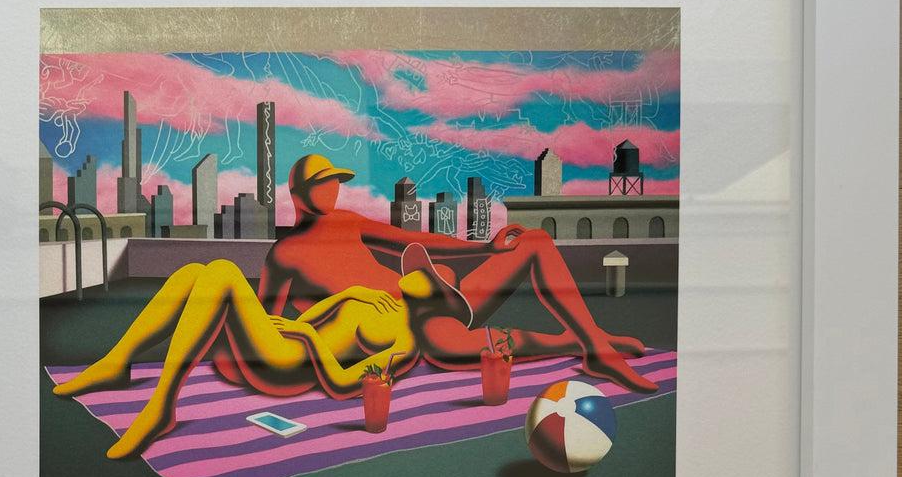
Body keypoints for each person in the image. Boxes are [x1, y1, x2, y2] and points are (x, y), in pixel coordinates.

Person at [259, 154, 657, 394]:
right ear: (297, 192)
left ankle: (596, 346)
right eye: (322, 183)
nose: (333, 189)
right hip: (409, 330)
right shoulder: (284, 255)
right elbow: (265, 330)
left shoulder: (346, 220)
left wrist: (486, 248)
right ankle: (582, 342)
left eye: (335, 181)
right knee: (476, 345)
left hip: (437, 294)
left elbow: (412, 239)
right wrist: (335, 310)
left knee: (534, 240)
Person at [53, 256, 462, 459]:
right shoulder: (373, 299)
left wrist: (306, 336)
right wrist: (347, 294)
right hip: (284, 341)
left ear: (433, 296)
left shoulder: (406, 343)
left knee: (222, 271)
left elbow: (342, 385)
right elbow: (309, 320)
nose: (418, 272)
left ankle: (161, 406)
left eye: (429, 276)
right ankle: (117, 362)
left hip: (290, 366)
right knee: (195, 271)